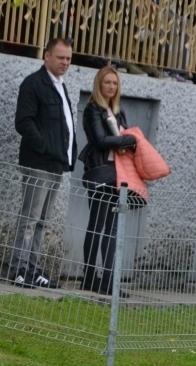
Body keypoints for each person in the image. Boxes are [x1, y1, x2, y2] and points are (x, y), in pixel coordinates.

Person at [11, 37, 77, 289]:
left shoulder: (61, 85)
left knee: (42, 222)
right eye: (60, 57)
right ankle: (19, 269)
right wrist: (44, 146)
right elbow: (23, 122)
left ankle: (34, 269)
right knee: (29, 218)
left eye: (69, 58)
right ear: (47, 56)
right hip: (38, 163)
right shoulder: (33, 84)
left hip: (56, 164)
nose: (65, 63)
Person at [77, 66, 137, 296]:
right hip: (102, 172)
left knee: (112, 229)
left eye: (115, 83)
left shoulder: (118, 111)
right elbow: (100, 140)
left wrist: (127, 140)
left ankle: (109, 281)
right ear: (99, 85)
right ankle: (90, 278)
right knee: (97, 225)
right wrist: (127, 140)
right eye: (107, 83)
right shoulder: (93, 109)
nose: (111, 87)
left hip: (119, 174)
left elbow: (125, 140)